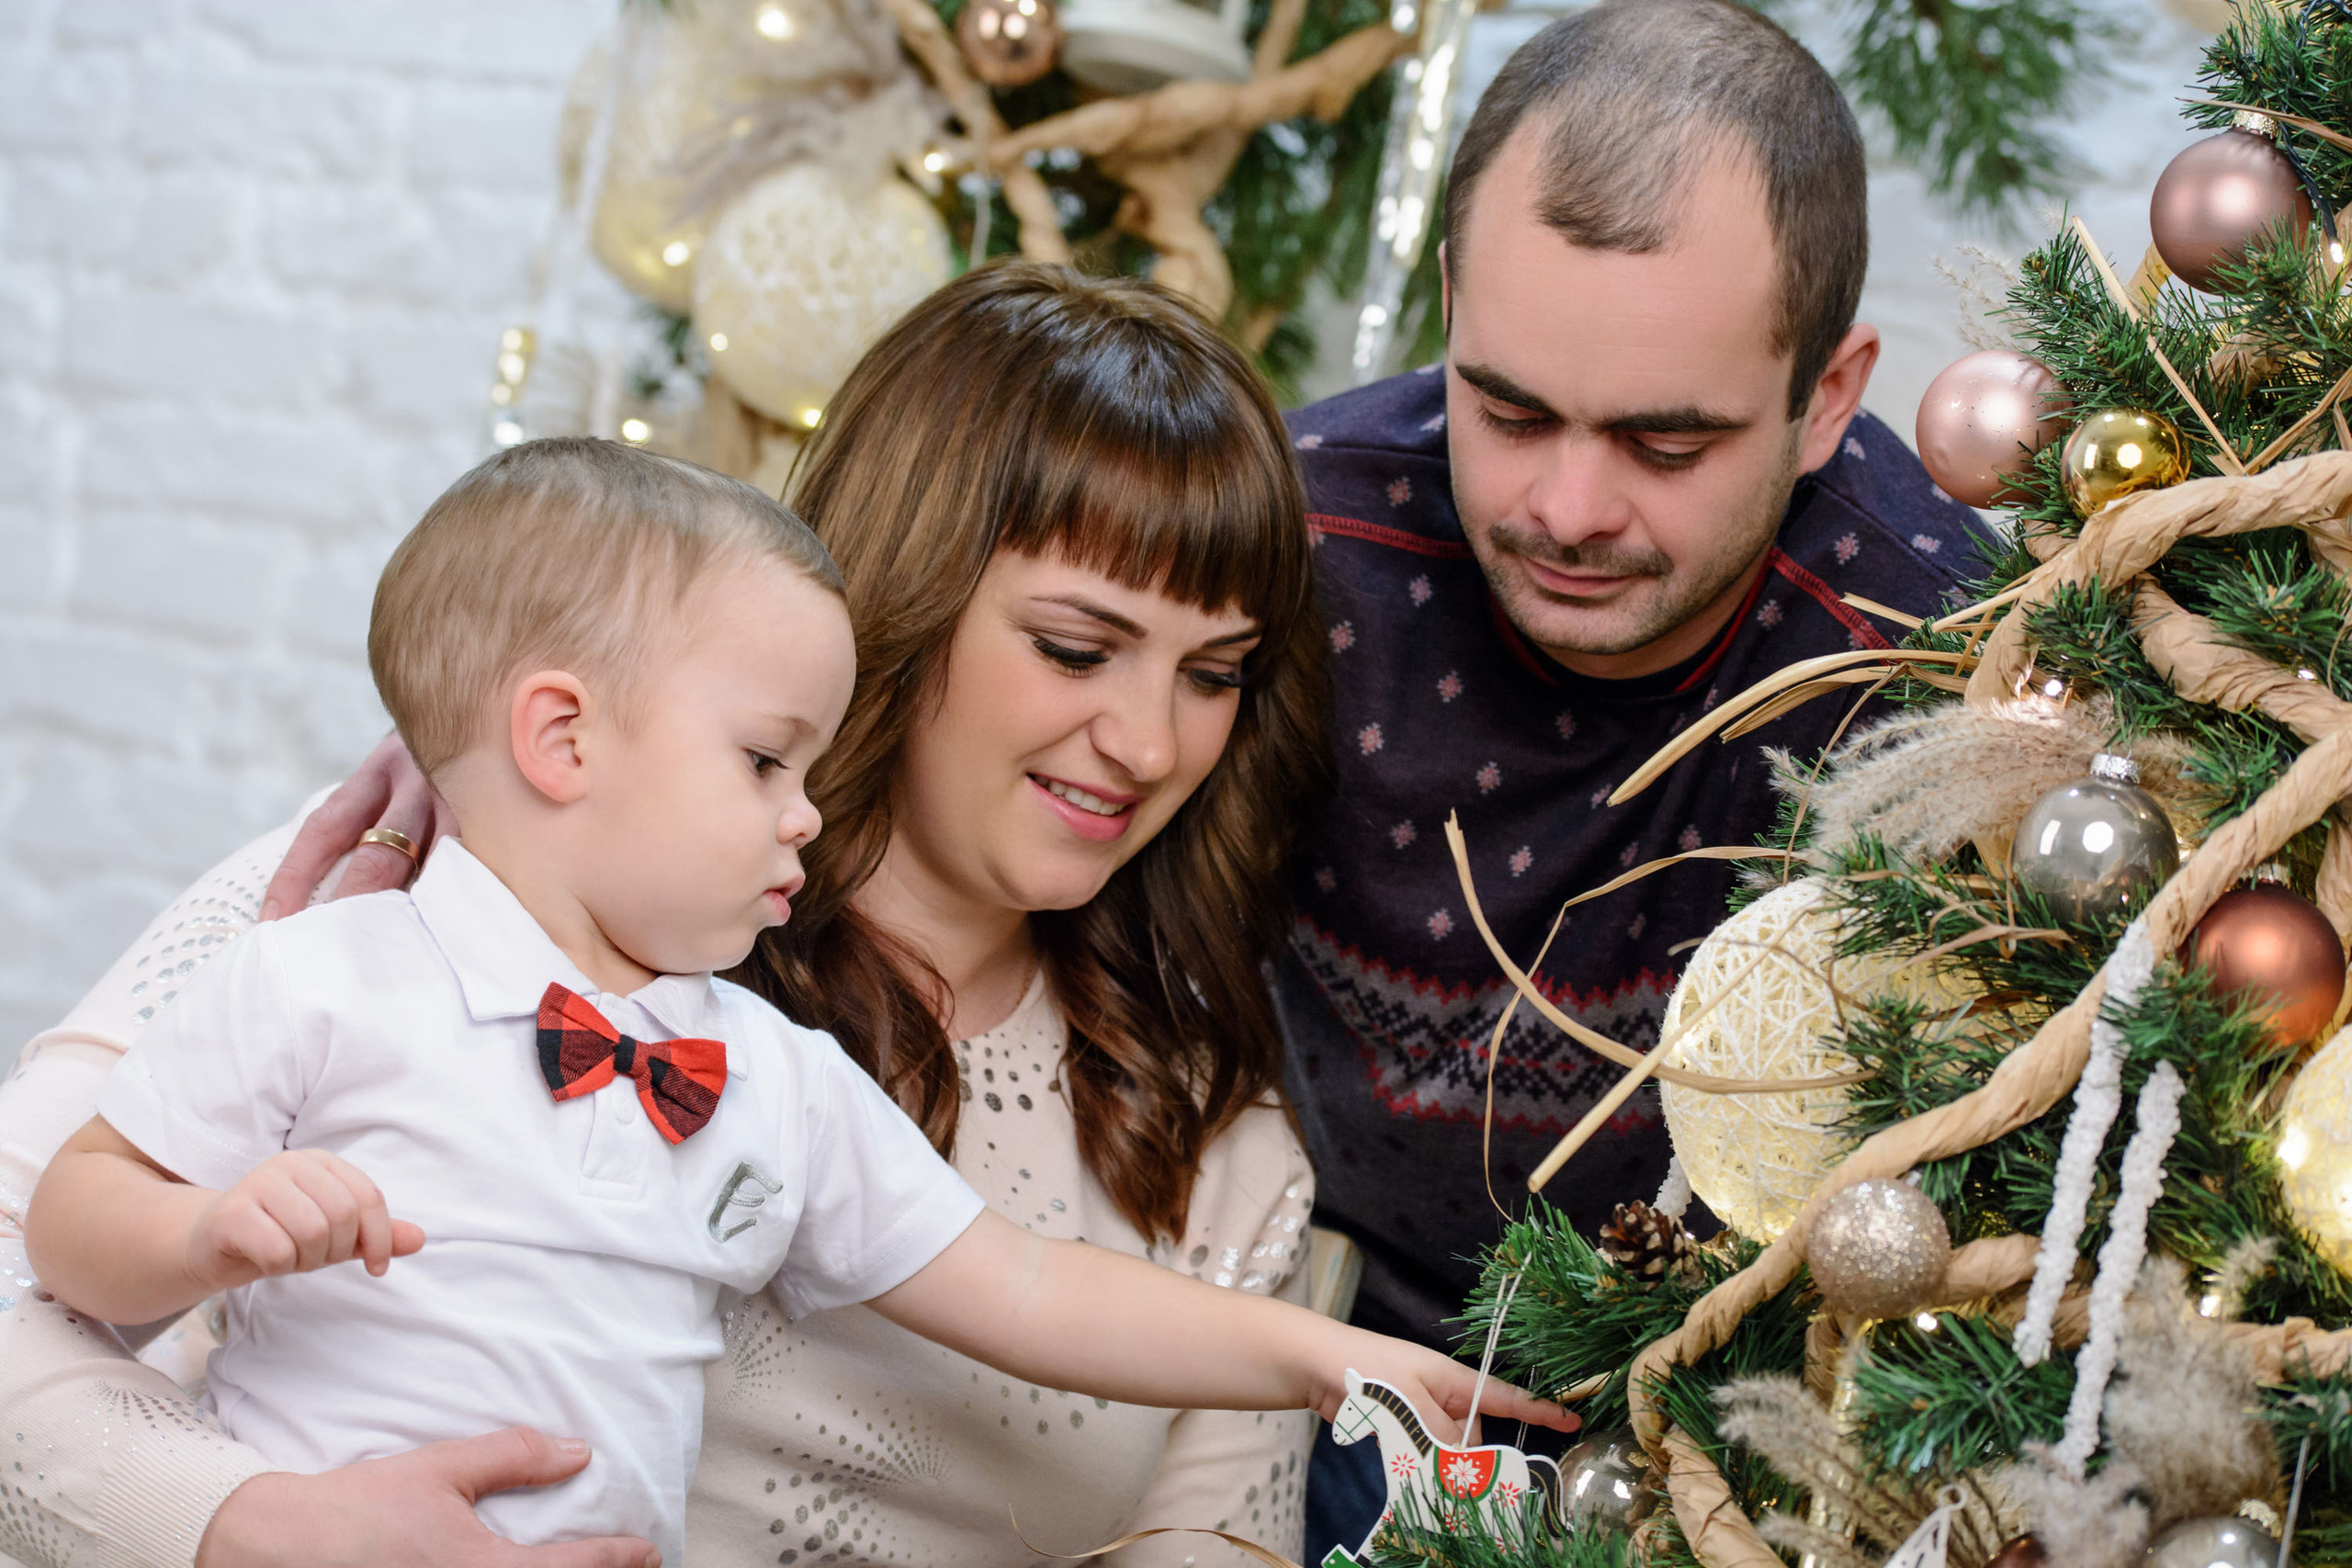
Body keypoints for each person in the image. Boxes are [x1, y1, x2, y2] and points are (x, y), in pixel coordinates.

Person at [0, 266, 1560, 1568]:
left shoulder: (1211, 1145)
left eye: (1212, 674)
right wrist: (253, 1526)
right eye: (1078, 649)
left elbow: (1042, 1319)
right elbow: (37, 1275)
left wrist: (1322, 1359)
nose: (1151, 744)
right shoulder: (422, 873)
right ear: (913, 600)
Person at [1275, 0, 2000, 1553]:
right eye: (1510, 408)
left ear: (1828, 393)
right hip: (1301, 1363)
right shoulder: (1291, 549)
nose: (1567, 506)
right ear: (1453, 303)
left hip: (1748, 1455)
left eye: (1665, 443)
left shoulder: (1947, 674)